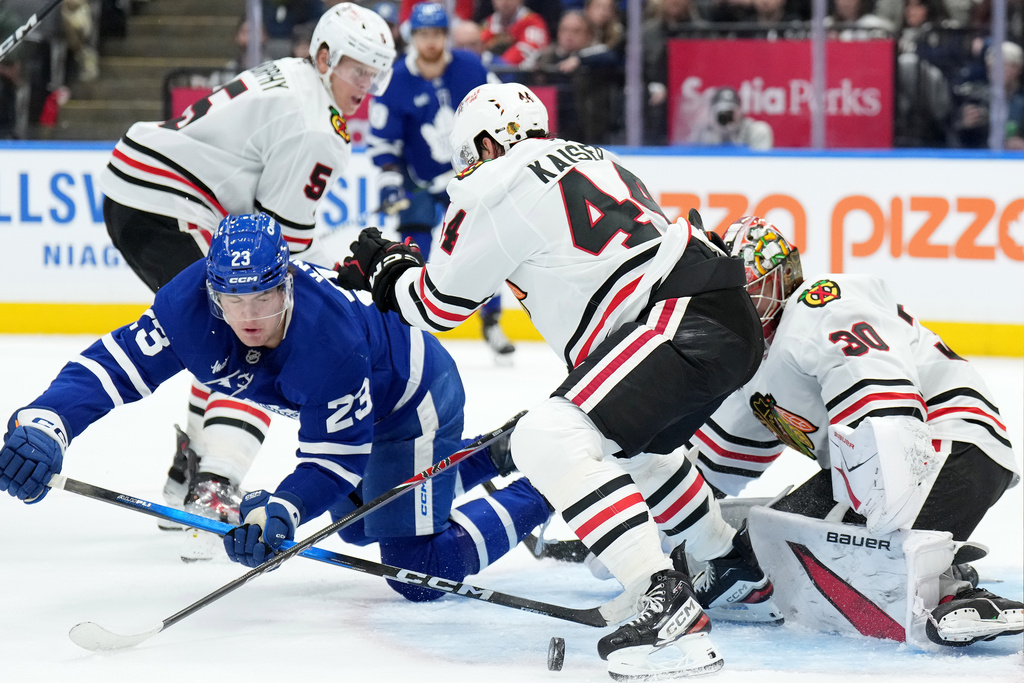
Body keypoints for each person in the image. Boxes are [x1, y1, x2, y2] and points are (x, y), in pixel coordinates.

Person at [335, 82, 781, 679]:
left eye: (468, 153)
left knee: (546, 435)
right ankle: (727, 565)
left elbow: (439, 305)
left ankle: (662, 596)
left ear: (488, 142)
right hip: (717, 312)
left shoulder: (495, 182)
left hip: (678, 319)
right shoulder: (590, 155)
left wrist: (387, 271)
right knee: (627, 450)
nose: (465, 168)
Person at [0, 213, 551, 602]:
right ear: (211, 292)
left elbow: (336, 462)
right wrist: (48, 422)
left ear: (287, 285)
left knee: (416, 571)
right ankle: (495, 453)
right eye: (232, 299)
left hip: (413, 398)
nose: (248, 317)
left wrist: (281, 509)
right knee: (359, 532)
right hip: (364, 414)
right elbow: (112, 367)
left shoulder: (327, 341)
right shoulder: (189, 307)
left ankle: (548, 477)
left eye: (263, 297)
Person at [98, 3, 397, 557]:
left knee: (227, 329)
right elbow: (284, 255)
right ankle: (215, 484)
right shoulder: (316, 125)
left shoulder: (294, 76)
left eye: (375, 73)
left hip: (140, 190)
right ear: (326, 57)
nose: (367, 85)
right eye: (360, 69)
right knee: (260, 332)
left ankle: (189, 469)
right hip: (168, 203)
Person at [689, 215, 1022, 647]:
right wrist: (635, 531)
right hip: (890, 469)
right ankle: (936, 572)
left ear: (779, 278)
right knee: (760, 544)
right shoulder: (756, 366)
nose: (735, 304)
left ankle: (943, 587)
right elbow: (708, 470)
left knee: (778, 560)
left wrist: (872, 537)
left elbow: (888, 410)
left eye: (743, 289)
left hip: (945, 446)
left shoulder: (821, 303)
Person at [367, 2, 515, 357]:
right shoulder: (396, 79)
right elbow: (384, 140)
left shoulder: (471, 68)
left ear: (446, 35)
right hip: (419, 178)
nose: (431, 41)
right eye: (423, 34)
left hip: (472, 177)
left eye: (436, 33)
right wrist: (390, 179)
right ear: (413, 36)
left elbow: (500, 111)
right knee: (414, 247)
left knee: (481, 246)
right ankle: (409, 328)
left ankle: (491, 320)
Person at [690, 86, 774, 150]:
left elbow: (761, 165)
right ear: (711, 113)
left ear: (740, 112)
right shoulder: (704, 132)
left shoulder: (755, 131)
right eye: (720, 113)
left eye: (730, 112)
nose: (725, 117)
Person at [479, 0, 550, 68]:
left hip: (522, 76)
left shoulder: (533, 22)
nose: (505, 1)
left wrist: (498, 64)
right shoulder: (487, 24)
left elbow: (529, 50)